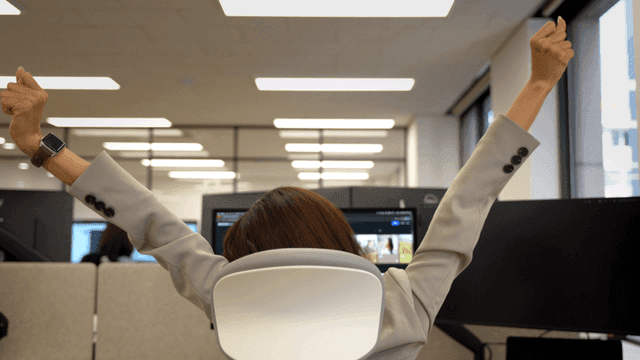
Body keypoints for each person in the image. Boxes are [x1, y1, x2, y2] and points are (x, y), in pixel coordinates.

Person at [1, 17, 574, 360]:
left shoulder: (231, 292)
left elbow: (149, 222)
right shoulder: (402, 303)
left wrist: (39, 146)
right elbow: (467, 201)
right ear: (341, 240)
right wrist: (541, 83)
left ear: (247, 260)